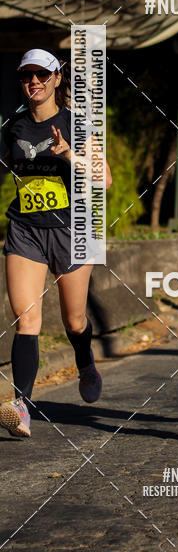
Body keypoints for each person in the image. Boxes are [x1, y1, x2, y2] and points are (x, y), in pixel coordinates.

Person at [0, 49, 112, 438]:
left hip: (72, 230)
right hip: (25, 229)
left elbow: (106, 180)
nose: (34, 82)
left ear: (57, 79)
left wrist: (71, 157)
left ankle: (85, 362)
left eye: (42, 75)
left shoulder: (76, 125)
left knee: (74, 319)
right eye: (27, 76)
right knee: (26, 318)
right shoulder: (12, 127)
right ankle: (22, 407)